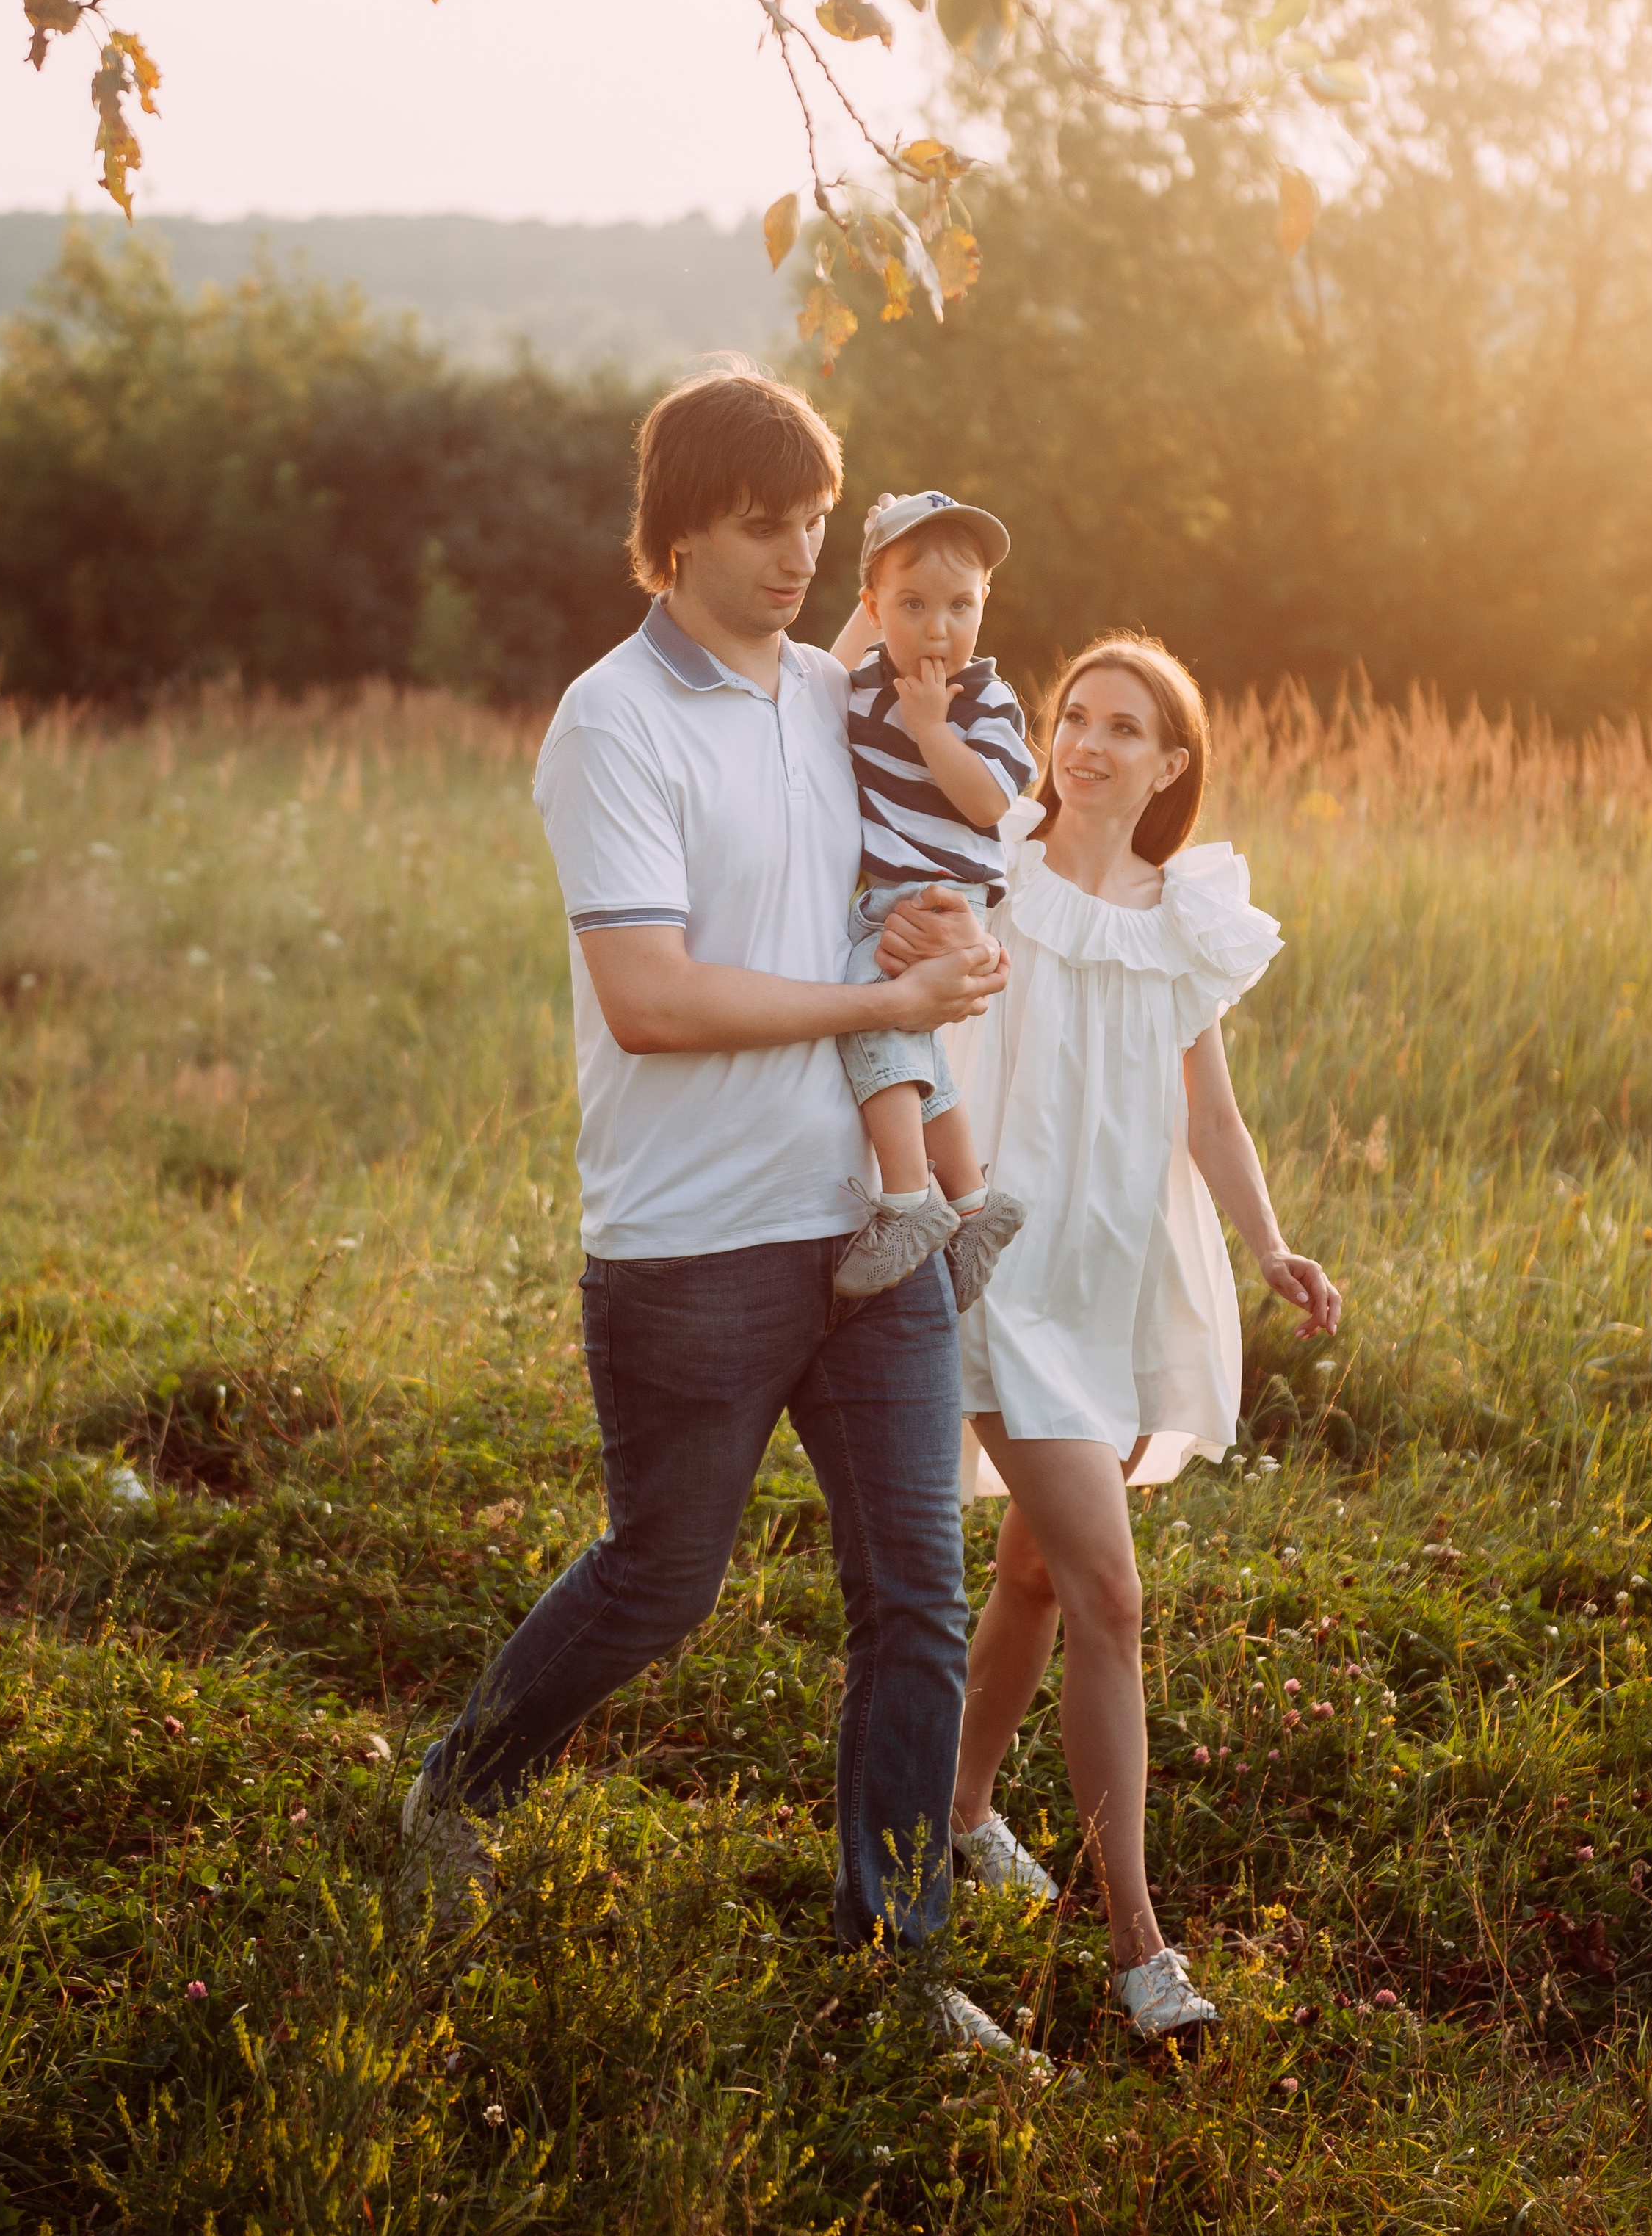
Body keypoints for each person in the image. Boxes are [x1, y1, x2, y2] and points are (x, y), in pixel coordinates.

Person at [402, 366, 1028, 2058]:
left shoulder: (831, 695)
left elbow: (898, 861)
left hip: (871, 1227)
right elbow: (652, 997)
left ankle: (895, 1963)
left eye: (813, 521)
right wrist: (876, 1007)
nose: (798, 555)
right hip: (689, 1240)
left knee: (918, 1595)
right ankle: (456, 1785)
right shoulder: (610, 722)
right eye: (764, 525)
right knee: (663, 1578)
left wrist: (931, 944)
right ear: (675, 530)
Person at [873, 631, 1343, 2047]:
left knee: (1033, 1570)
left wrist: (1269, 1245)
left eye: (1125, 726)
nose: (1087, 740)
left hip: (1116, 1277)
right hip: (1001, 1260)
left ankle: (964, 1812)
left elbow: (1212, 1114)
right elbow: (898, 975)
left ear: (1169, 763)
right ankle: (1141, 1947)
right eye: (1076, 714)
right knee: (1110, 1594)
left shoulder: (1186, 917)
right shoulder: (993, 862)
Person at [826, 491, 1032, 1306]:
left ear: (986, 603)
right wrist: (873, 558)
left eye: (960, 605)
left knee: (867, 1014)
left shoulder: (987, 699)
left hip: (943, 900)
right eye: (911, 605)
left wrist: (932, 729)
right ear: (875, 608)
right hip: (891, 899)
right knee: (917, 1054)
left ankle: (910, 1200)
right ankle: (974, 1204)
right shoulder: (865, 685)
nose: (938, 629)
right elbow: (820, 676)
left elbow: (987, 801)